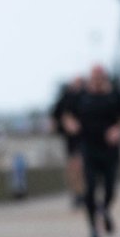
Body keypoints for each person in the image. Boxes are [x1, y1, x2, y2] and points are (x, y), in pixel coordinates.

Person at [60, 65, 120, 237]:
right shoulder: (80, 96)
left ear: (105, 77)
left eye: (100, 76)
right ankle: (93, 230)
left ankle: (104, 210)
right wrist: (71, 124)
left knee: (110, 188)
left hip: (110, 150)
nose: (97, 79)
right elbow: (66, 114)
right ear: (90, 78)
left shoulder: (114, 96)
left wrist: (117, 130)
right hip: (88, 148)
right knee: (89, 189)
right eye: (94, 76)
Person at [51, 76, 86, 208]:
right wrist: (66, 123)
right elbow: (55, 117)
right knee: (73, 167)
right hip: (70, 140)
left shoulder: (86, 97)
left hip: (84, 138)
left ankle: (82, 193)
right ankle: (76, 194)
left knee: (81, 166)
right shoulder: (65, 99)